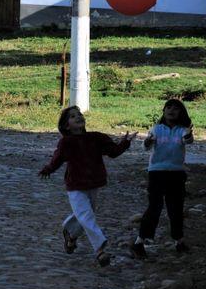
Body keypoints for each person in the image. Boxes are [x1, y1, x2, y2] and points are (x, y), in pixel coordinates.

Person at [39, 105, 137, 266]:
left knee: (84, 215)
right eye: (72, 116)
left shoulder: (96, 138)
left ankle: (70, 233)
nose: (78, 117)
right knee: (86, 216)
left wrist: (125, 143)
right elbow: (57, 159)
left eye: (79, 114)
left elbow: (112, 152)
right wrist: (48, 169)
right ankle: (100, 250)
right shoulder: (66, 142)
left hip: (94, 183)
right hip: (75, 185)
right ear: (65, 126)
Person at [130, 98, 194, 259]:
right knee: (154, 208)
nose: (171, 110)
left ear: (181, 113)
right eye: (168, 107)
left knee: (176, 209)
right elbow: (146, 146)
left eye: (176, 108)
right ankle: (139, 242)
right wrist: (148, 141)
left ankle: (179, 241)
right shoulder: (156, 129)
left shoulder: (182, 130)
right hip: (157, 172)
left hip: (177, 173)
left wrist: (188, 134)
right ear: (164, 111)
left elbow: (188, 141)